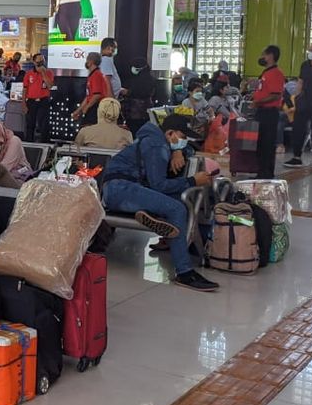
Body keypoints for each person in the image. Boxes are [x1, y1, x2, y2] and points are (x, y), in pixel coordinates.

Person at [100, 114, 218, 292]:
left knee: (176, 201)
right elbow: (159, 185)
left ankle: (153, 217)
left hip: (119, 190)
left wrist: (178, 150)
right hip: (121, 190)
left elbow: (189, 149)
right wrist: (194, 180)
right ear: (170, 133)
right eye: (183, 137)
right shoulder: (157, 145)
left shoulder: (156, 139)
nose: (185, 141)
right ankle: (184, 273)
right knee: (177, 208)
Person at [251, 45, 286, 179]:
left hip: (269, 112)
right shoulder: (266, 72)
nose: (261, 57)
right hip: (261, 111)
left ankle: (266, 173)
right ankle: (261, 171)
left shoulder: (275, 73)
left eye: (263, 55)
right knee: (260, 143)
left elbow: (276, 95)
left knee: (266, 143)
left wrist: (258, 102)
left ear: (270, 56)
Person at [73, 51, 112, 126]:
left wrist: (87, 107)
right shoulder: (92, 75)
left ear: (90, 62)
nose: (86, 62)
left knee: (87, 130)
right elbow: (88, 97)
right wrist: (79, 111)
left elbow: (97, 95)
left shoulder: (96, 75)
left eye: (87, 60)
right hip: (93, 107)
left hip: (96, 108)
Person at [121, 56, 156, 134]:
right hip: (146, 112)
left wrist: (127, 92)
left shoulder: (138, 80)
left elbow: (138, 92)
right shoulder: (151, 78)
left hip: (135, 112)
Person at [23, 51, 53, 142]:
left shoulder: (49, 72)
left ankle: (44, 143)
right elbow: (25, 89)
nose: (40, 62)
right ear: (34, 62)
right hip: (31, 101)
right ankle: (29, 142)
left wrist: (43, 73)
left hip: (43, 101)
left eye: (42, 60)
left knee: (43, 124)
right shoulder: (29, 74)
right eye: (38, 61)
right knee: (30, 124)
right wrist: (23, 103)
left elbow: (50, 86)